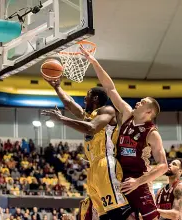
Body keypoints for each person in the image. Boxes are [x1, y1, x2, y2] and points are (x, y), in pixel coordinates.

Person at [79, 45, 168, 220]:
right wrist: (94, 62)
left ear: (149, 112)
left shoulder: (152, 133)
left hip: (138, 180)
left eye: (142, 102)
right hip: (118, 176)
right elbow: (110, 89)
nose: (137, 103)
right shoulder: (127, 114)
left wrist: (138, 182)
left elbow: (163, 165)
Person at [42, 79, 132, 219]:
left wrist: (61, 119)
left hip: (105, 162)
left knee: (118, 211)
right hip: (93, 167)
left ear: (95, 98)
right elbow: (70, 104)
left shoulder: (107, 110)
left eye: (87, 95)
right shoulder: (89, 116)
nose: (84, 98)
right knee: (103, 214)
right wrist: (57, 87)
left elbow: (91, 128)